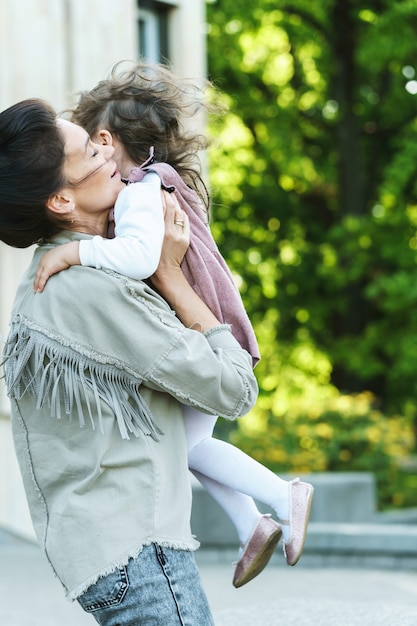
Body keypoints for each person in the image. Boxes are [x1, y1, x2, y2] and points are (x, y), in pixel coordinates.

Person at [33, 62, 315, 588]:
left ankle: (282, 496)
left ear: (104, 139)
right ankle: (251, 522)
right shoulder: (156, 185)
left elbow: (141, 259)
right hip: (199, 323)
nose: (94, 160)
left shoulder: (142, 192)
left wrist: (75, 250)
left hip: (203, 327)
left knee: (185, 447)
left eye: (93, 149)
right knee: (185, 445)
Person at [0, 98, 260, 625]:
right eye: (90, 152)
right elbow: (234, 389)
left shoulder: (47, 281)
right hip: (139, 552)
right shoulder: (93, 289)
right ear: (60, 199)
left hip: (103, 552)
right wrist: (171, 276)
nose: (107, 148)